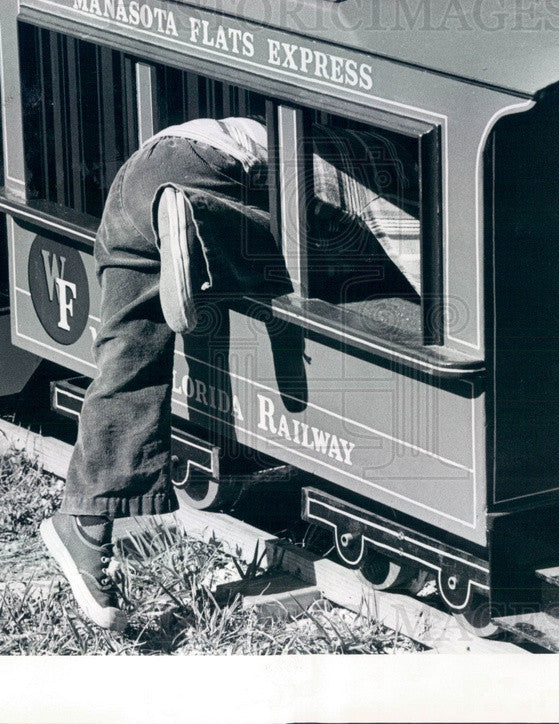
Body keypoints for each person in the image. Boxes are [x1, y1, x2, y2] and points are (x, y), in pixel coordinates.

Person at [40, 116, 419, 632]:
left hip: (133, 189)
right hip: (207, 172)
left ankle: (82, 524)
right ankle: (200, 224)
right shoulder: (358, 154)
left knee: (129, 358)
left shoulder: (319, 137)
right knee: (327, 261)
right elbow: (402, 237)